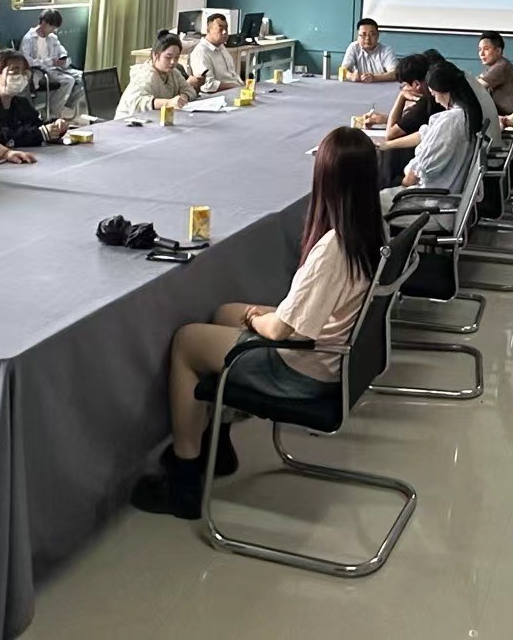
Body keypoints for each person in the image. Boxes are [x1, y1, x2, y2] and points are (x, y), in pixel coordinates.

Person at [131, 127, 388, 518]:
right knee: (224, 313)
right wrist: (253, 316)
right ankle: (217, 443)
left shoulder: (332, 249)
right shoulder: (372, 228)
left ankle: (184, 478)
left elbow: (282, 330)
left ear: (325, 180)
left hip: (304, 367)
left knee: (186, 342)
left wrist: (255, 319)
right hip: (329, 350)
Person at [389, 61, 483, 200]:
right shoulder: (468, 113)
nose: (436, 100)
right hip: (445, 190)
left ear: (443, 91)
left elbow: (419, 171)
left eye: (434, 94)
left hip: (429, 197)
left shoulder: (450, 121)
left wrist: (401, 184)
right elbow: (426, 134)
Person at [0, 51, 70, 150]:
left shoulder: (21, 103)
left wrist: (55, 127)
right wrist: (40, 134)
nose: (21, 77)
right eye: (14, 72)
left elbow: (36, 125)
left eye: (25, 73)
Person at [362, 53, 440, 186]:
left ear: (416, 84)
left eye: (404, 85)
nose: (404, 89)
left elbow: (390, 135)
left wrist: (401, 97)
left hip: (411, 169)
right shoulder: (433, 99)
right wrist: (386, 118)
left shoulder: (426, 103)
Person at [20, 9, 86, 120]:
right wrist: (50, 61)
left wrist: (62, 58)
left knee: (84, 77)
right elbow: (26, 61)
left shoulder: (52, 38)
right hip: (41, 71)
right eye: (52, 27)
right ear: (43, 23)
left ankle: (64, 104)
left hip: (56, 69)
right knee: (68, 80)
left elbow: (62, 51)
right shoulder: (29, 39)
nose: (53, 30)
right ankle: (52, 114)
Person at [117, 32, 191, 119]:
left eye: (176, 57)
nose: (173, 62)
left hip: (152, 119)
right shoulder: (145, 74)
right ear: (155, 55)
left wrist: (183, 97)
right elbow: (136, 102)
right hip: (129, 121)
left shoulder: (173, 72)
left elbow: (188, 89)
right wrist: (168, 103)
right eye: (168, 57)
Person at [186, 13, 243, 95]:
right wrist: (235, 86)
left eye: (226, 28)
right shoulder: (201, 52)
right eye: (220, 29)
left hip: (234, 90)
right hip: (217, 95)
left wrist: (242, 85)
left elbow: (232, 74)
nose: (224, 32)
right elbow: (207, 85)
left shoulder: (221, 47)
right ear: (208, 30)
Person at [474, 30, 513, 118]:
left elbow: (475, 87)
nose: (481, 54)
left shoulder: (501, 66)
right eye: (480, 49)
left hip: (506, 118)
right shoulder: (494, 67)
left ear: (498, 51)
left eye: (486, 49)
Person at [340, 18, 398, 82]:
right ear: (358, 36)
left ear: (378, 36)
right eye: (363, 35)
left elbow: (394, 73)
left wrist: (375, 78)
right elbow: (343, 69)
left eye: (372, 34)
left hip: (382, 85)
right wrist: (351, 76)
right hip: (358, 85)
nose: (367, 38)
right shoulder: (353, 47)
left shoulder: (386, 50)